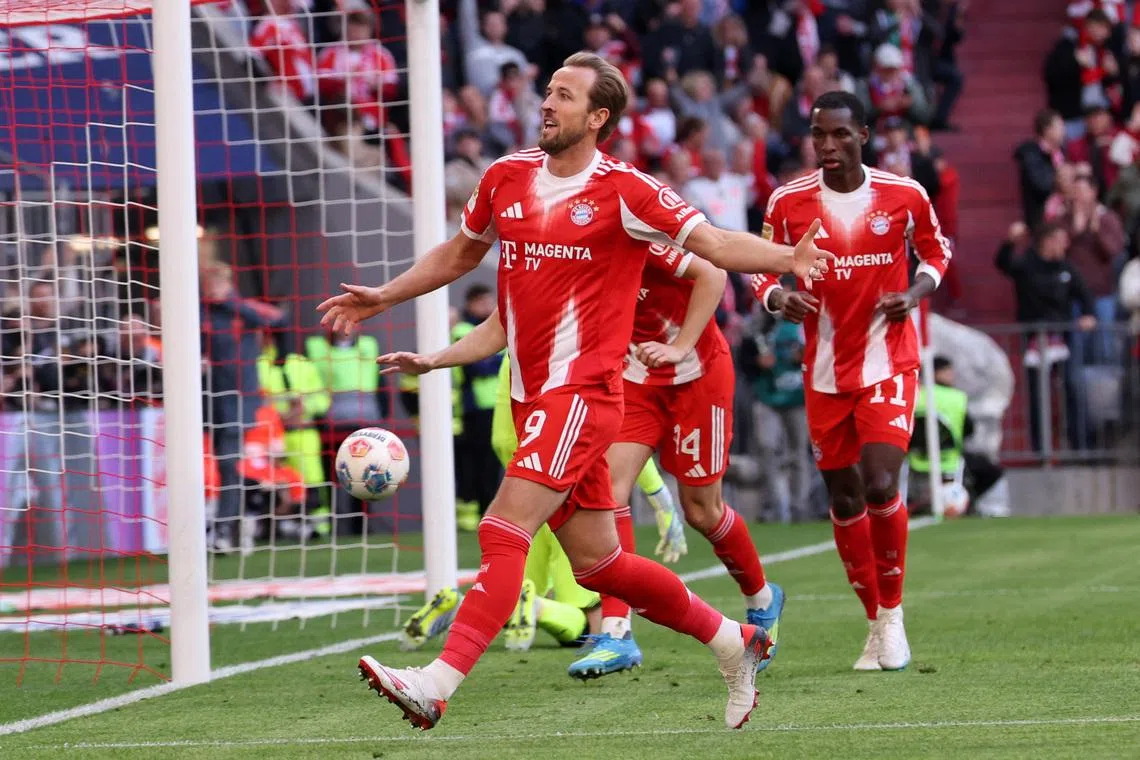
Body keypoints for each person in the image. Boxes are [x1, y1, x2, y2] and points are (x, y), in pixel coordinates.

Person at [318, 51, 831, 730]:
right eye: (549, 91)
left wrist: (788, 258)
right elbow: (461, 254)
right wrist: (385, 296)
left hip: (582, 395)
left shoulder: (627, 190)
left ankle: (435, 684)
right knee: (600, 565)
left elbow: (713, 246)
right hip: (534, 396)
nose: (547, 103)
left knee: (504, 527)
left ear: (598, 117)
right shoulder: (505, 177)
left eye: (564, 96)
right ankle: (734, 642)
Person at [751, 90, 953, 672]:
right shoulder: (788, 201)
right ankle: (874, 622)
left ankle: (893, 613)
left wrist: (913, 294)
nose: (829, 145)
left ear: (863, 134)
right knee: (842, 498)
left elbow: (937, 253)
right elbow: (761, 266)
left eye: (840, 133)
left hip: (888, 360)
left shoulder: (904, 194)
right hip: (823, 371)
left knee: (881, 483)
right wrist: (778, 298)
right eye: (819, 134)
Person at [567, 240, 786, 680]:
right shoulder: (570, 244)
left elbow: (713, 274)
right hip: (637, 380)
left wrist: (680, 345)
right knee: (607, 492)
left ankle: (762, 597)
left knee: (702, 511)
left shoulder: (636, 225)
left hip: (697, 376)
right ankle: (617, 632)